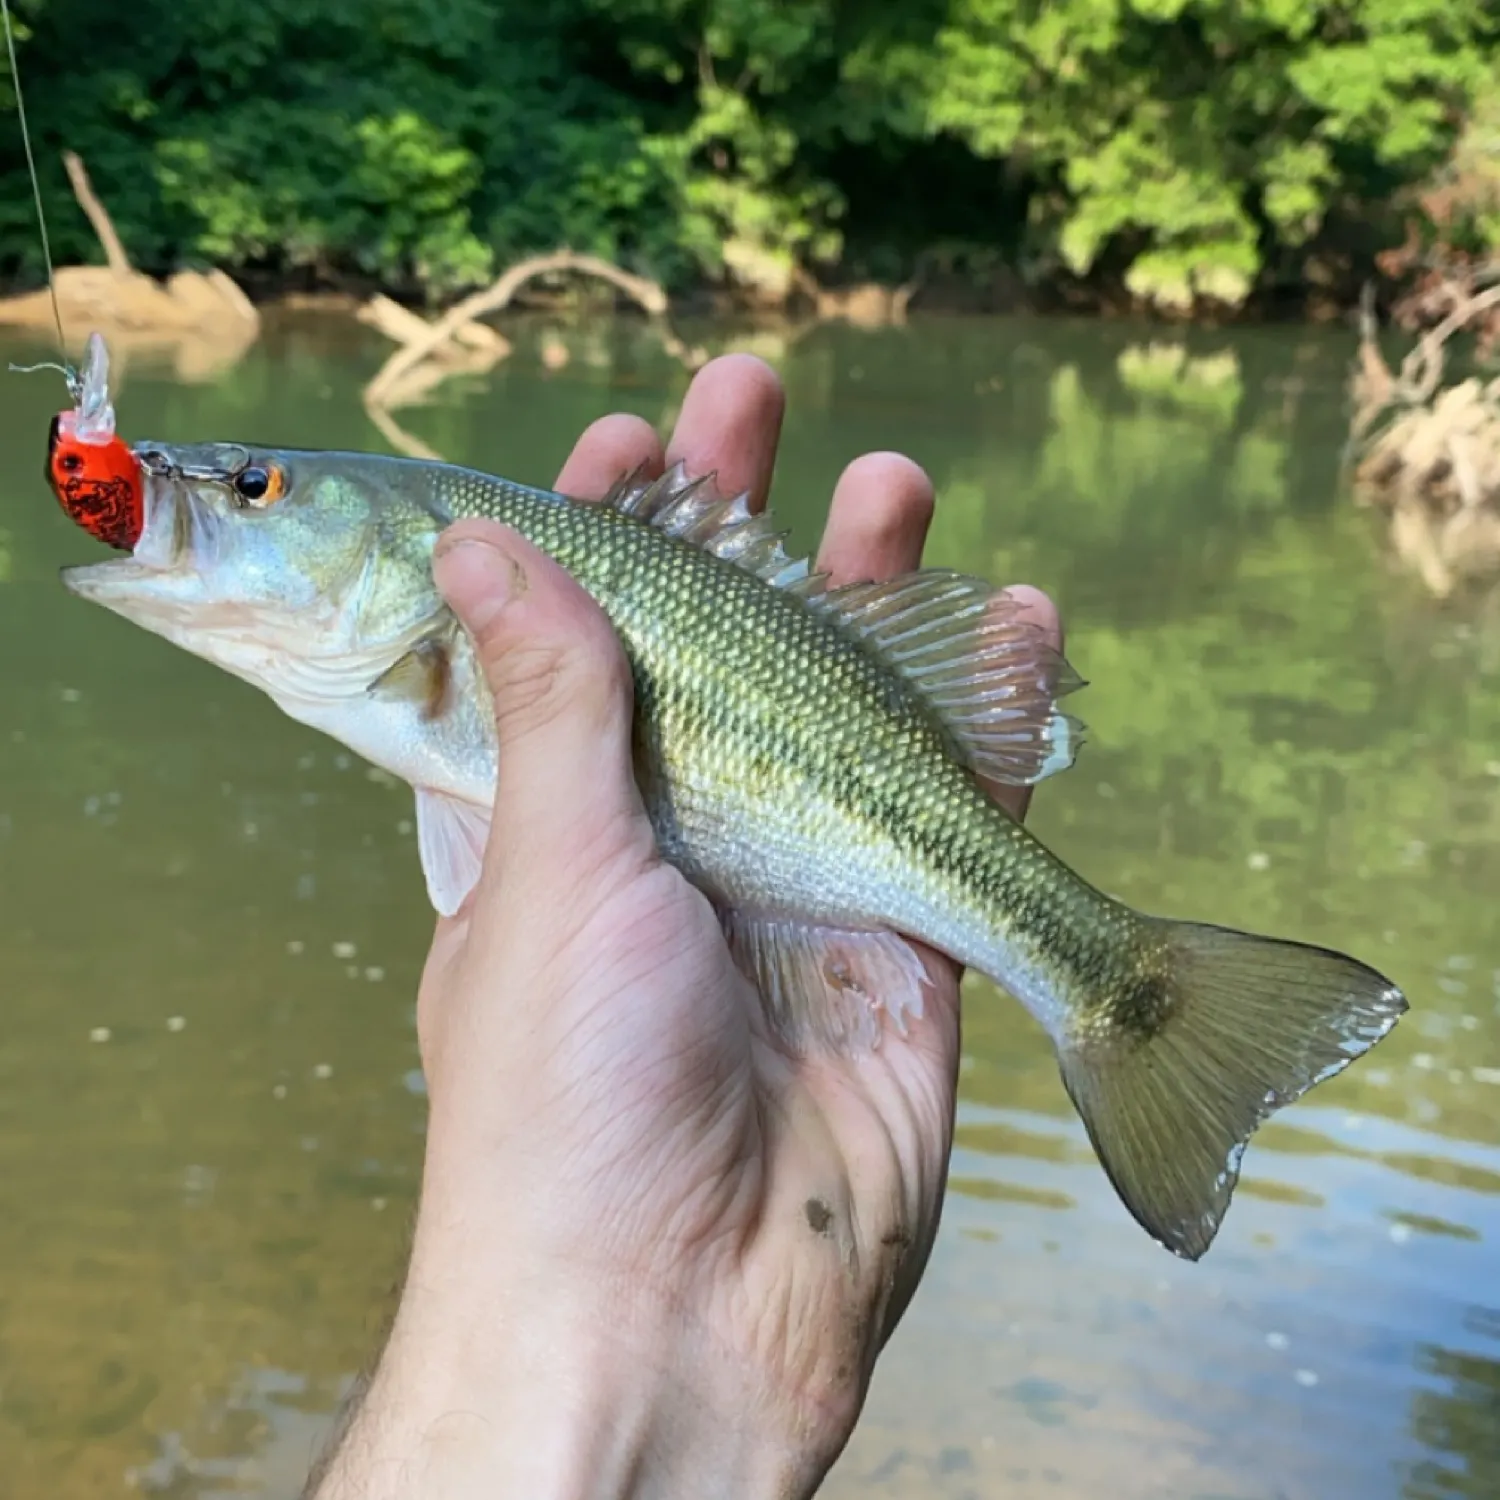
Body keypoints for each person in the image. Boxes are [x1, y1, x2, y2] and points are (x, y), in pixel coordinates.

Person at [305, 354, 1062, 1499]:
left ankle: (1101, 982)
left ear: (418, 555)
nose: (218, 497)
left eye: (254, 491)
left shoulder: (470, 615)